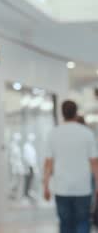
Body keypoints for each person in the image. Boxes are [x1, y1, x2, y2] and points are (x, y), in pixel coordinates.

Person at [44, 100, 98, 233]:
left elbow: (49, 164)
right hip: (83, 188)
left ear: (62, 113)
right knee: (83, 222)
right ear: (76, 112)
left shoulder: (53, 134)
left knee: (65, 224)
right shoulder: (87, 134)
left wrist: (45, 186)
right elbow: (94, 163)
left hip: (62, 188)